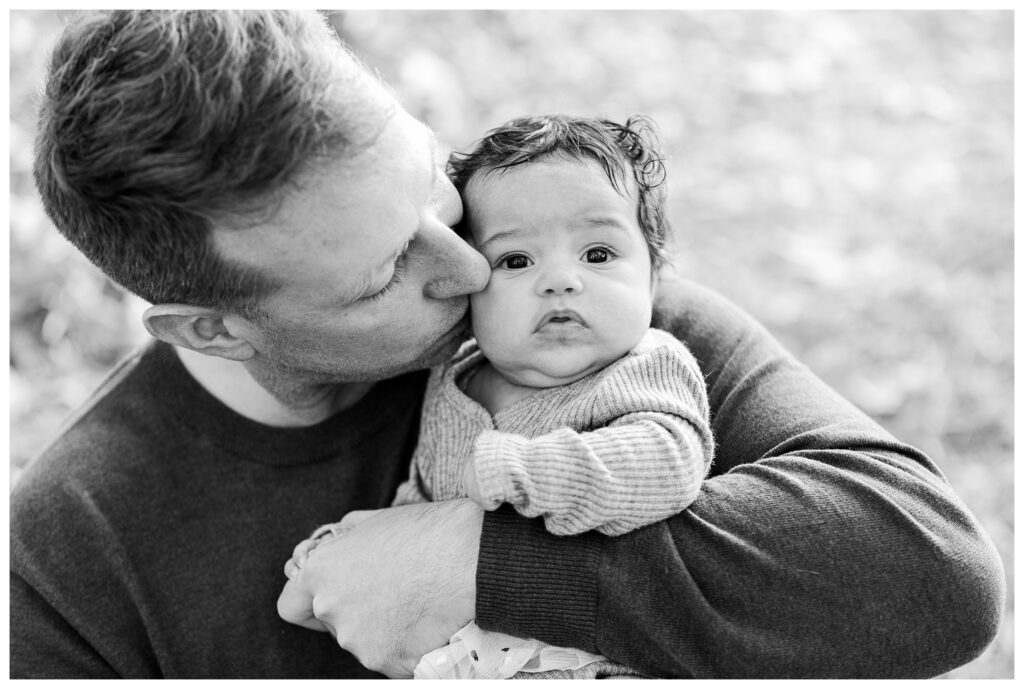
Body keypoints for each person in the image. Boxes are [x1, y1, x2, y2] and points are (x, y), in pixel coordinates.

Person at [10, 9, 1003, 680]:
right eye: (389, 265)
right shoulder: (71, 563)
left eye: (427, 181)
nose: (473, 269)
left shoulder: (567, 312)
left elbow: (931, 567)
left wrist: (483, 565)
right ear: (216, 326)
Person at [287, 114, 716, 679]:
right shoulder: (455, 376)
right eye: (516, 261)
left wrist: (523, 470)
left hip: (589, 655)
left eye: (598, 254)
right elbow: (428, 495)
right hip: (461, 656)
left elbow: (668, 464)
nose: (561, 280)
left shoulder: (645, 366)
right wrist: (362, 541)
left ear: (653, 281)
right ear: (470, 289)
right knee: (303, 596)